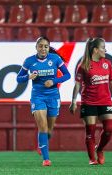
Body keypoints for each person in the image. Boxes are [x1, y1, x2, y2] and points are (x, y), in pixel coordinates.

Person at [16, 36, 71, 166]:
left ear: (48, 47)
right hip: (38, 96)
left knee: (49, 130)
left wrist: (54, 81)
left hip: (53, 96)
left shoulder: (55, 59)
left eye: (46, 46)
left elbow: (67, 75)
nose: (43, 48)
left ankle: (41, 144)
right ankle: (46, 159)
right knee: (43, 127)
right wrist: (28, 76)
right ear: (36, 47)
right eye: (40, 46)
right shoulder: (29, 61)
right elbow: (18, 79)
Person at [69, 38, 112, 165]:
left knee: (109, 128)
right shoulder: (83, 65)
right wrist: (74, 100)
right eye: (103, 47)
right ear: (96, 50)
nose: (105, 50)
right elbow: (77, 84)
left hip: (105, 101)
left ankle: (100, 149)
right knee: (90, 131)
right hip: (89, 102)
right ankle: (92, 159)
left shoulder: (107, 63)